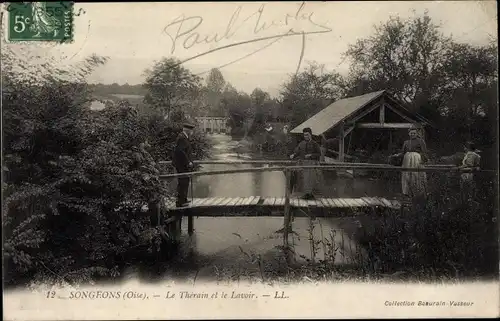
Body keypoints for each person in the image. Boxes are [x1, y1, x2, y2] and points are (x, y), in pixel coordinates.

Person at [289, 127, 322, 199]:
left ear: (311, 135)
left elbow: (319, 154)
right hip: (303, 165)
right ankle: (302, 195)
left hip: (311, 165)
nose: (306, 136)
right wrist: (293, 155)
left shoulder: (315, 144)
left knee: (311, 181)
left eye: (307, 135)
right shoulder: (301, 143)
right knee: (302, 180)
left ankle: (311, 195)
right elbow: (297, 151)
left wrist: (311, 155)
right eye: (305, 135)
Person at [400, 127, 428, 198]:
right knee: (407, 175)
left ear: (417, 134)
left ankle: (417, 192)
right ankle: (407, 192)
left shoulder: (420, 141)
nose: (412, 134)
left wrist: (424, 159)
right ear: (409, 134)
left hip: (416, 159)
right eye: (411, 133)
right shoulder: (406, 142)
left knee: (416, 175)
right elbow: (403, 152)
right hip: (407, 160)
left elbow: (424, 152)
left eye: (414, 133)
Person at [172, 123, 195, 207]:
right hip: (181, 164)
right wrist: (188, 162)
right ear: (188, 130)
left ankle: (183, 199)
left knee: (185, 181)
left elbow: (186, 151)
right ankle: (180, 201)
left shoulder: (184, 137)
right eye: (191, 130)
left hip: (183, 164)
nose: (192, 132)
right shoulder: (182, 138)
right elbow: (180, 151)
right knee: (183, 181)